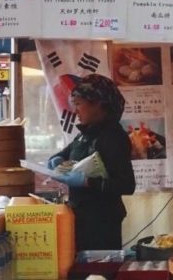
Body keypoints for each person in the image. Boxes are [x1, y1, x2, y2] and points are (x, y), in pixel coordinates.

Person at [47, 75, 135, 251]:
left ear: (99, 104)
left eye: (79, 104)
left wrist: (86, 181)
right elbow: (64, 153)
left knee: (98, 274)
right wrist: (55, 160)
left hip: (102, 224)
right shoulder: (85, 134)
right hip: (80, 217)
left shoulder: (113, 137)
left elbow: (126, 185)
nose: (76, 111)